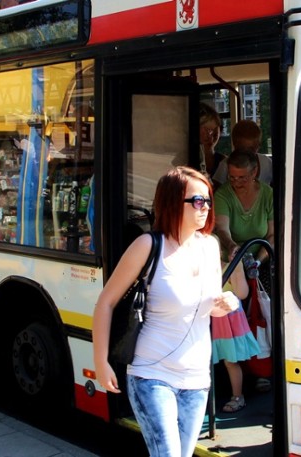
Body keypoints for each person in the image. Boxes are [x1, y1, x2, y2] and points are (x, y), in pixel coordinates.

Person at [92, 166, 239, 457]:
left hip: (197, 379)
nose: (206, 207)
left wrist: (226, 304)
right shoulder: (148, 245)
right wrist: (100, 362)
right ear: (173, 202)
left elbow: (207, 307)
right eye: (197, 201)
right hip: (152, 374)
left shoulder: (210, 246)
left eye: (208, 200)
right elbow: (105, 302)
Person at [214, 149, 274, 393]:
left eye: (242, 178)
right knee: (236, 316)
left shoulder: (267, 194)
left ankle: (263, 367)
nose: (237, 182)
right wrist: (233, 249)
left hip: (261, 257)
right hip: (232, 261)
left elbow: (271, 234)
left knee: (265, 315)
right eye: (232, 177)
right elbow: (222, 230)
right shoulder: (223, 194)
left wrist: (258, 262)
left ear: (255, 173)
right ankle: (238, 369)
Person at [211, 257, 261, 413]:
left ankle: (238, 396)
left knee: (230, 361)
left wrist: (237, 266)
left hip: (225, 318)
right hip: (204, 318)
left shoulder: (229, 267)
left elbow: (242, 293)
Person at [212, 119, 272, 187]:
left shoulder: (266, 163)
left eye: (251, 149)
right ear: (234, 145)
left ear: (258, 146)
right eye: (242, 149)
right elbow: (216, 190)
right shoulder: (225, 165)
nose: (246, 154)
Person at [198, 102, 225, 177]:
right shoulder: (182, 163)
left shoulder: (225, 163)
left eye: (215, 131)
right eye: (206, 130)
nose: (211, 137)